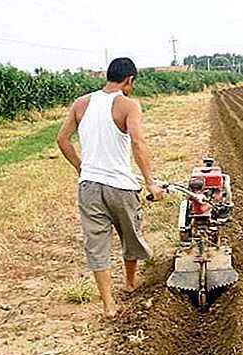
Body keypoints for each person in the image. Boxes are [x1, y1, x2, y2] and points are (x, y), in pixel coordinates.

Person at [57, 57, 165, 318]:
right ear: (129, 80)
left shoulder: (81, 103)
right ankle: (129, 284)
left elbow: (62, 140)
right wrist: (150, 182)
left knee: (97, 244)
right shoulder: (128, 105)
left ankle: (108, 306)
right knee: (130, 235)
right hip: (120, 186)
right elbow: (138, 144)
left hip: (89, 187)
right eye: (132, 83)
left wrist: (81, 168)